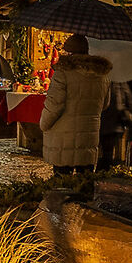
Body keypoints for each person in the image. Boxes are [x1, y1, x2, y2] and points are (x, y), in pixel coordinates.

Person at [37, 34, 110, 179]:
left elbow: (54, 105)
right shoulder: (102, 74)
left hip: (63, 137)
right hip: (89, 136)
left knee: (62, 182)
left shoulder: (63, 73)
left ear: (68, 53)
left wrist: (43, 124)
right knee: (85, 181)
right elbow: (105, 104)